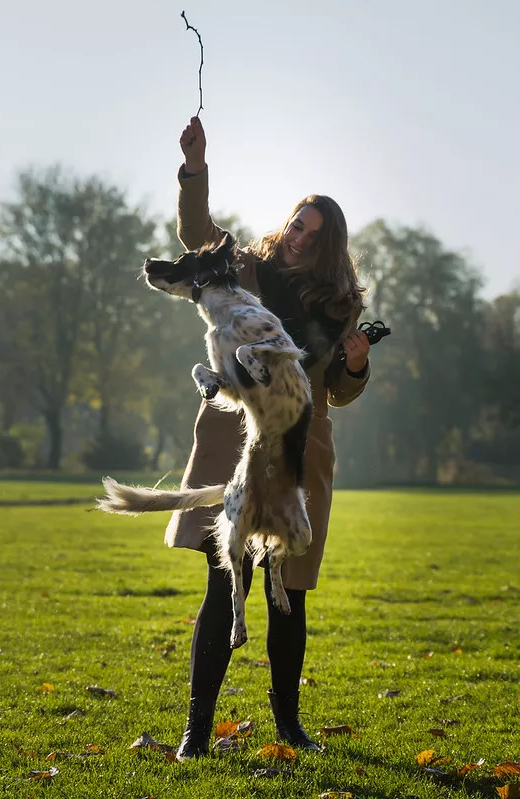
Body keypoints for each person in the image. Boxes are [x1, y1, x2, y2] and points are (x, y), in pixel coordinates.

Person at [168, 117, 371, 760]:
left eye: (310, 233)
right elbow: (195, 233)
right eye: (294, 222)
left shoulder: (341, 306)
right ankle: (195, 734)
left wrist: (358, 362)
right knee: (220, 585)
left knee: (290, 590)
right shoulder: (243, 264)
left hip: (297, 450)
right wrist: (195, 167)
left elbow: (336, 389)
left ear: (327, 246)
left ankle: (288, 729)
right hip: (234, 438)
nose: (295, 236)